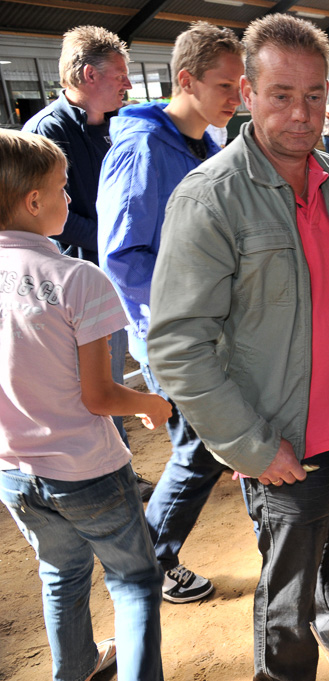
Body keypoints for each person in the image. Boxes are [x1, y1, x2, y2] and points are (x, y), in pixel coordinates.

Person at [145, 14, 329, 680]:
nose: (301, 112)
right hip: (284, 445)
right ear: (248, 93)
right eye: (282, 94)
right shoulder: (210, 199)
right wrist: (254, 448)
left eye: (314, 94)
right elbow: (178, 345)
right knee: (288, 608)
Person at [0, 128, 172, 681]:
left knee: (61, 575)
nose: (69, 200)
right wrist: (150, 403)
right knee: (134, 583)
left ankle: (72, 670)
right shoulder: (78, 279)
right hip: (87, 471)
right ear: (33, 201)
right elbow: (99, 396)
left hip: (14, 474)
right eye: (62, 189)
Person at [98, 21, 244, 605]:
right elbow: (124, 257)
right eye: (225, 87)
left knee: (214, 447)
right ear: (186, 80)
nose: (237, 98)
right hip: (178, 337)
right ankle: (148, 565)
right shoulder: (142, 151)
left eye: (240, 86)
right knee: (201, 451)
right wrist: (176, 326)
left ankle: (149, 561)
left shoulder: (201, 143)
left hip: (213, 330)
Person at [22, 25, 138, 464]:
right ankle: (111, 470)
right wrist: (114, 241)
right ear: (89, 76)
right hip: (75, 281)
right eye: (120, 75)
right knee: (95, 381)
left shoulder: (120, 127)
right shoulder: (46, 134)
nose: (128, 84)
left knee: (116, 368)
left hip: (118, 270)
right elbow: (53, 218)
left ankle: (120, 465)